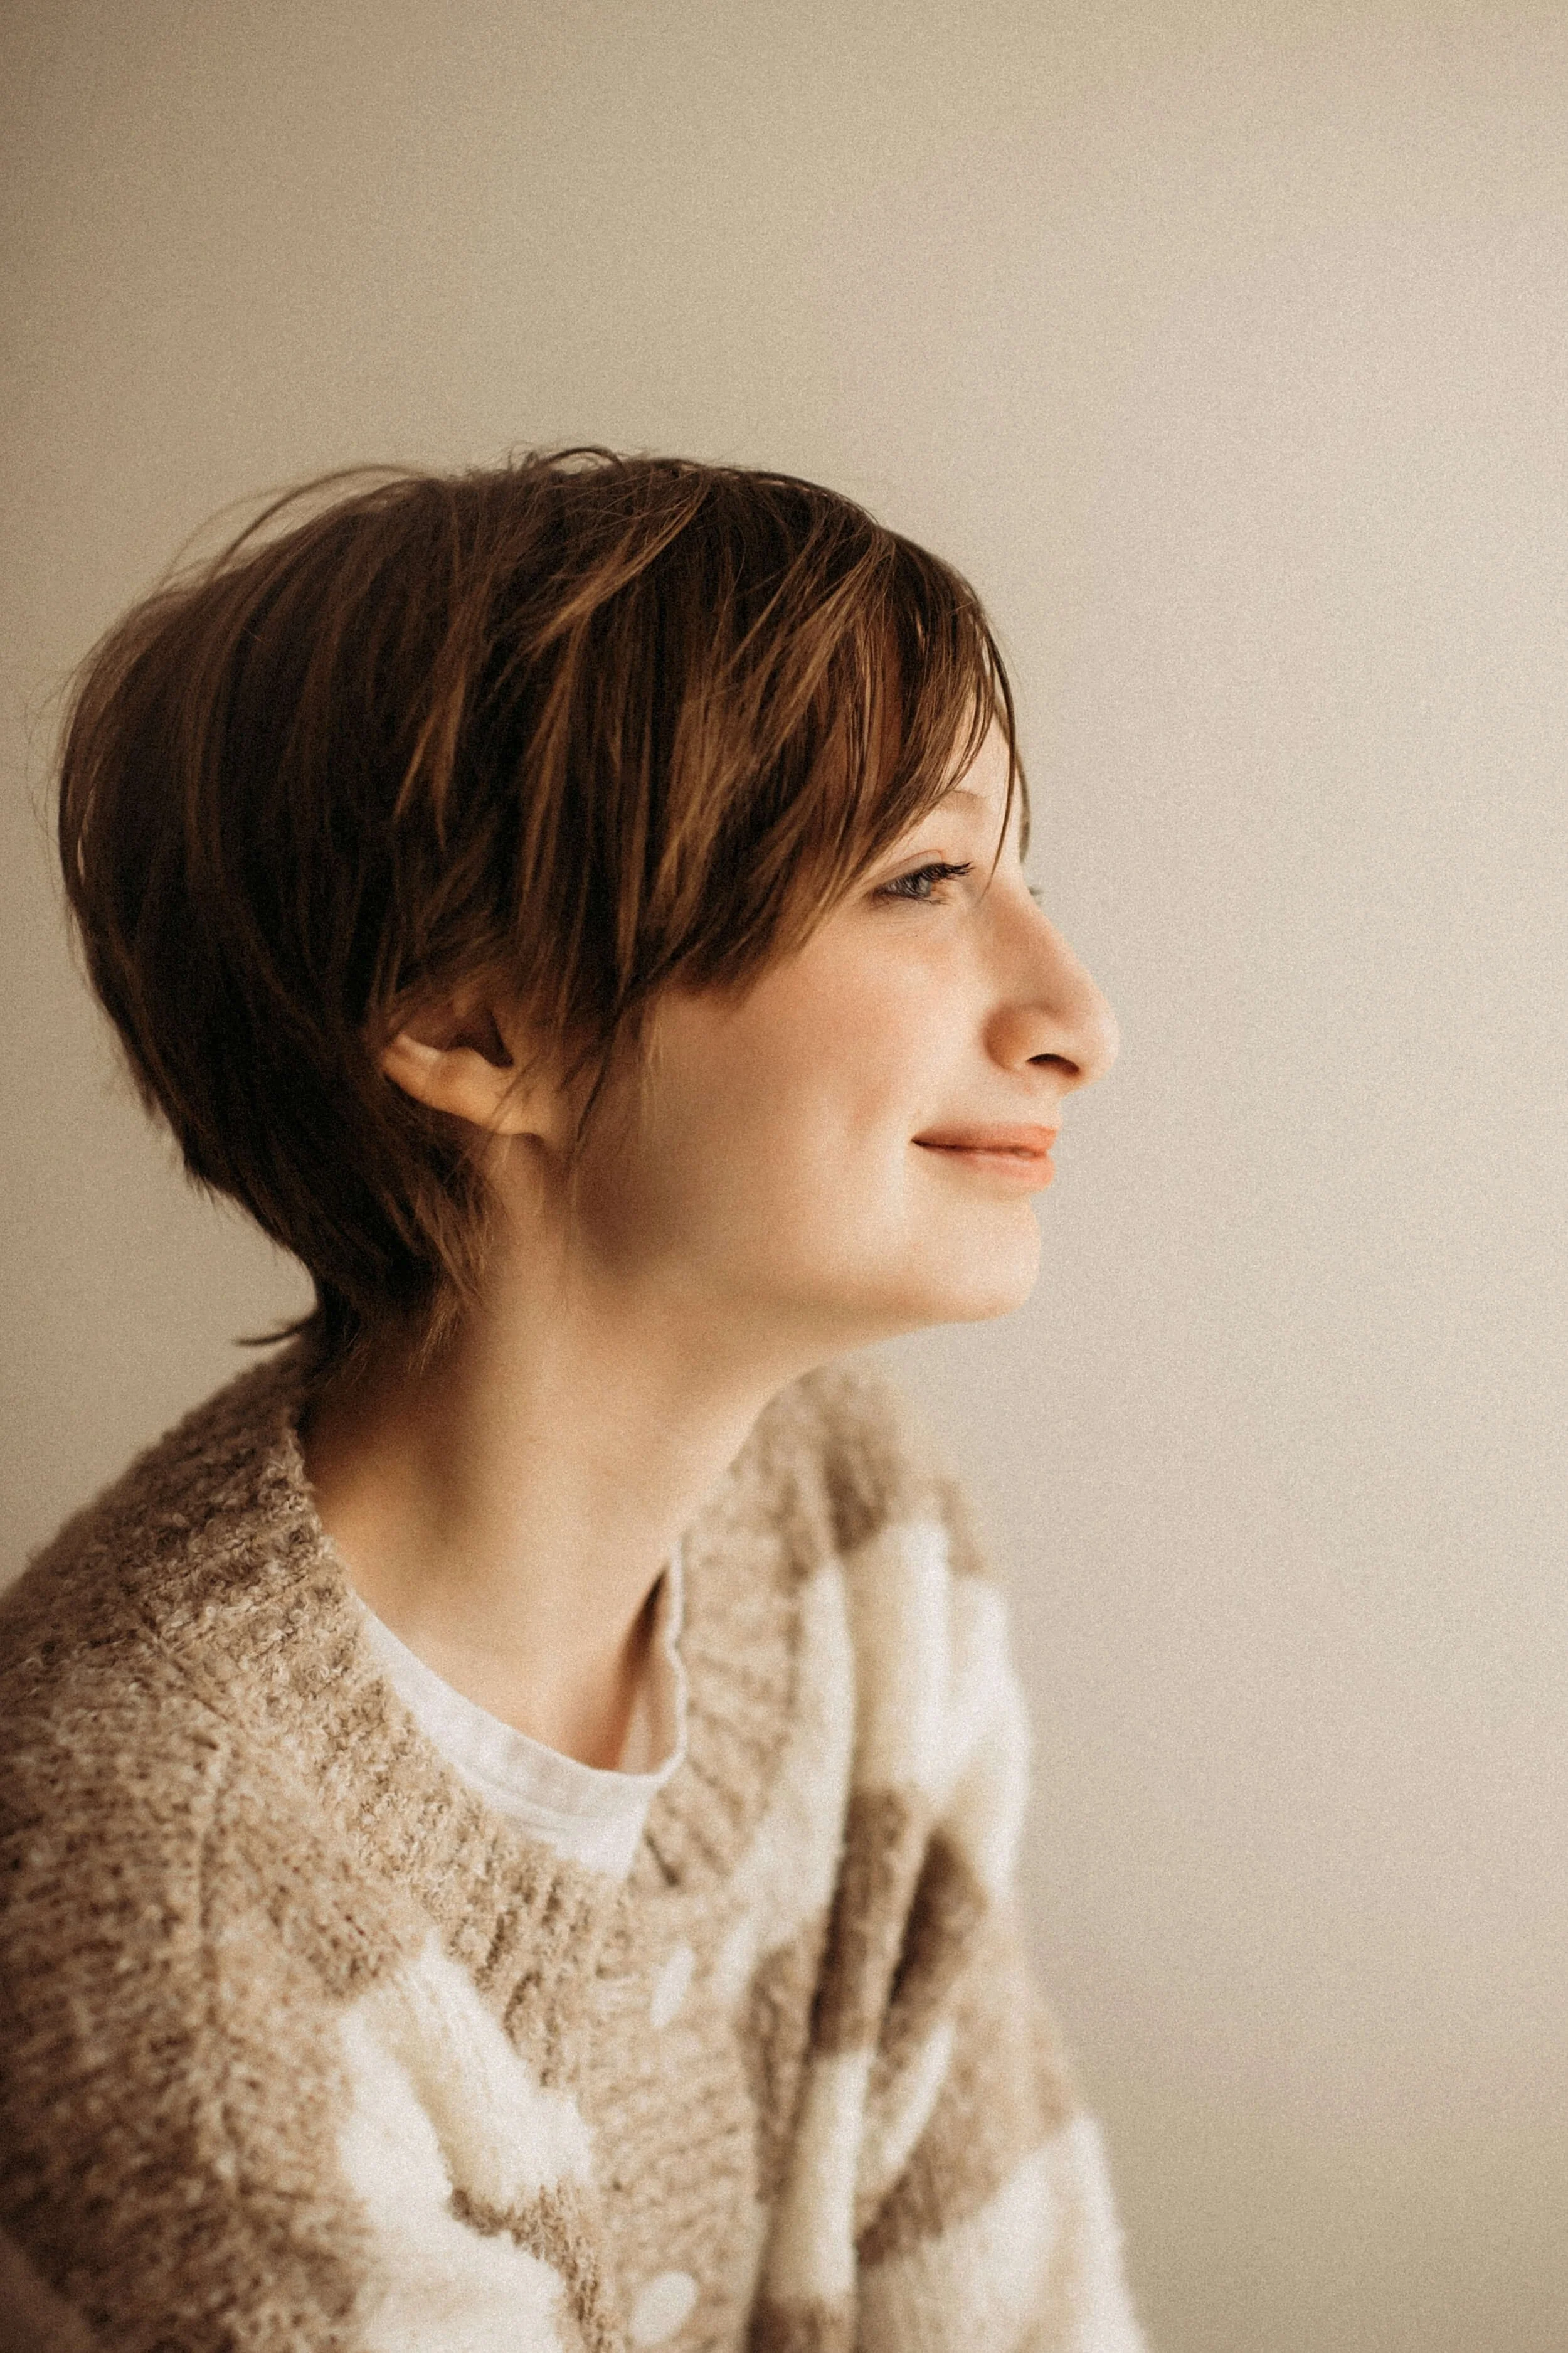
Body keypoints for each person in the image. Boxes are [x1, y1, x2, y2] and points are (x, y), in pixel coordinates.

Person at [0, 449, 1143, 2352]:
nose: (1074, 1018)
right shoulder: (166, 1908)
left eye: (1022, 875)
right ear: (477, 1025)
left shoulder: (855, 1529)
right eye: (923, 877)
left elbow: (1016, 2310)